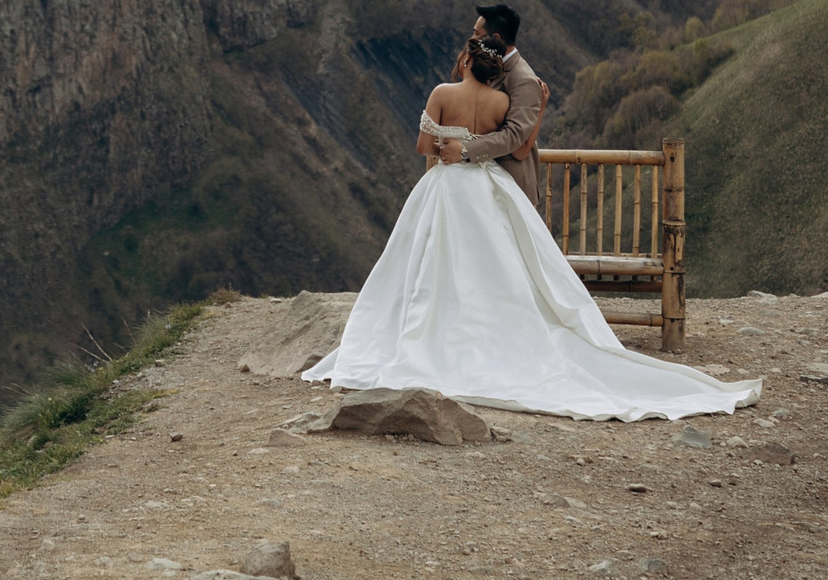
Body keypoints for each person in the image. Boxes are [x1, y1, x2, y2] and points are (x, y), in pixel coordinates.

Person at [303, 30, 757, 420]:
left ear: (465, 61)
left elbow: (425, 146)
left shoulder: (442, 94)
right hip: (486, 188)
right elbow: (517, 149)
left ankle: (434, 333)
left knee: (430, 264)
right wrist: (537, 107)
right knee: (493, 265)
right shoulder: (502, 101)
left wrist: (449, 143)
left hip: (445, 189)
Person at [432, 4, 545, 215]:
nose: (471, 39)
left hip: (511, 186)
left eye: (476, 34)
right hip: (481, 185)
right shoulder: (488, 67)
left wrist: (464, 150)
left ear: (494, 37)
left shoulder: (523, 79)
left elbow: (514, 136)